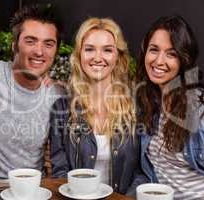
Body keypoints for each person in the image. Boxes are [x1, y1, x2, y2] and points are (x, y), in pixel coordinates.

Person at [0, 4, 63, 186]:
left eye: (48, 44)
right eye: (30, 41)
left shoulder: (57, 95)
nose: (39, 51)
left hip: (33, 190)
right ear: (14, 45)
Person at [49, 17, 147, 196]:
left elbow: (143, 171)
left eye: (107, 50)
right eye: (89, 49)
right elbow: (60, 172)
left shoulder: (136, 107)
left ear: (118, 57)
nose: (98, 57)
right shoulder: (61, 109)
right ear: (79, 55)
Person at [136, 15, 204, 199]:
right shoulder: (147, 102)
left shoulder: (201, 109)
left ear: (184, 60)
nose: (159, 61)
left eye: (171, 54)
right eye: (154, 50)